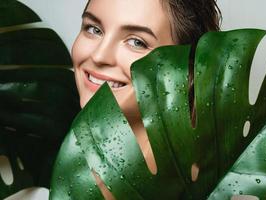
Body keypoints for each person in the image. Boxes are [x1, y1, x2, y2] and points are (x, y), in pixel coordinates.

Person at [71, 0, 221, 198]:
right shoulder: (77, 152)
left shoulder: (190, 186)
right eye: (94, 29)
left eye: (136, 42)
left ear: (186, 68)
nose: (99, 56)